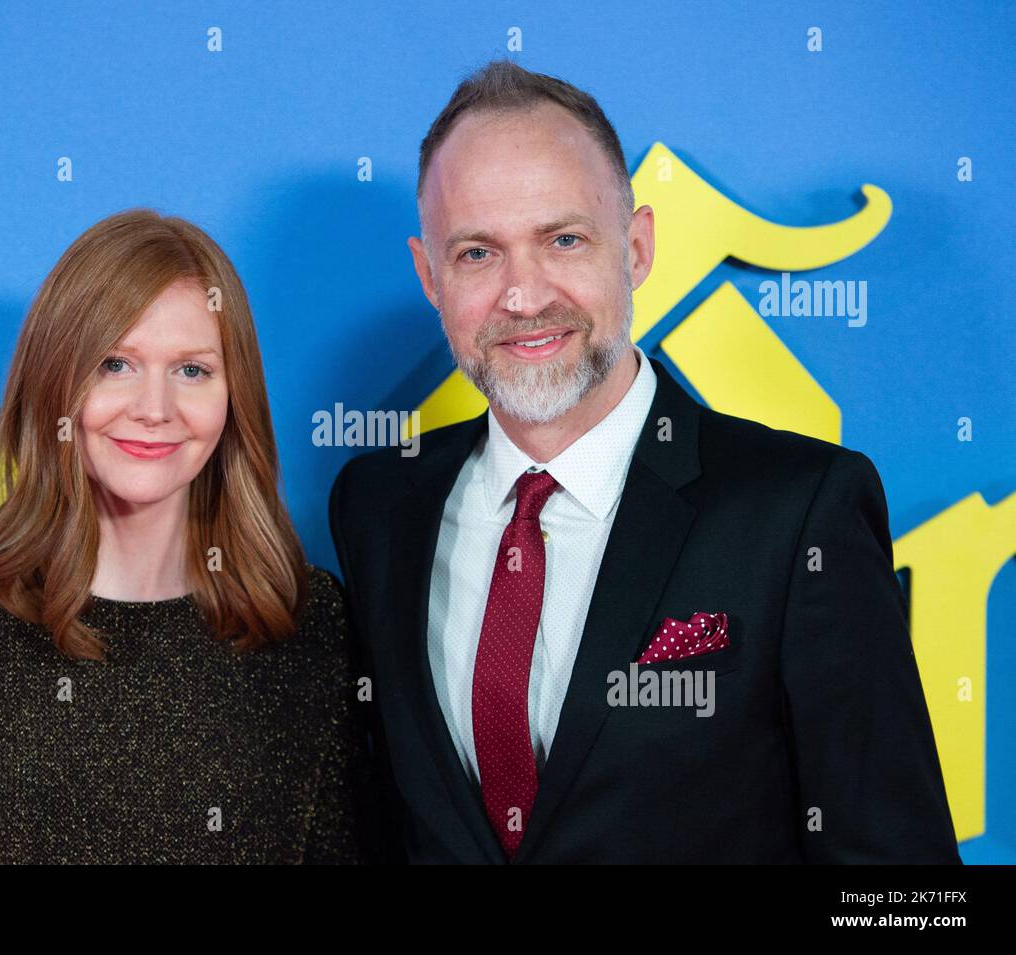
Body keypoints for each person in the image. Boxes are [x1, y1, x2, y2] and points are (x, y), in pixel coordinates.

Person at [328, 60, 961, 864]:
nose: (523, 296)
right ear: (429, 276)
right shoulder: (379, 507)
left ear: (636, 247)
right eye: (478, 254)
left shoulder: (800, 511)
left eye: (563, 239)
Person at [0, 208, 373, 863]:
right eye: (115, 363)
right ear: (54, 381)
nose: (153, 407)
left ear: (235, 397)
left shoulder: (306, 623)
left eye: (192, 370)